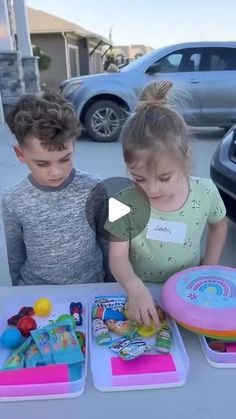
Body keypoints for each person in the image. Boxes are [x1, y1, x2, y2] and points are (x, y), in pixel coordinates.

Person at [106, 80, 228, 327]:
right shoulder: (121, 202)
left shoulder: (205, 192)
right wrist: (134, 288)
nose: (151, 189)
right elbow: (117, 257)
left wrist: (209, 266)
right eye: (138, 178)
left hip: (190, 294)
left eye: (164, 178)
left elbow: (219, 224)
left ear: (185, 157)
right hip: (143, 293)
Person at [2, 91, 109, 286]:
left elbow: (108, 242)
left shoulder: (94, 187)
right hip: (37, 292)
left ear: (73, 146)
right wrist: (19, 294)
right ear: (20, 154)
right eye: (42, 163)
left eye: (65, 158)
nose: (56, 172)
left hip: (91, 287)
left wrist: (111, 285)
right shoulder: (13, 200)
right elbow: (15, 256)